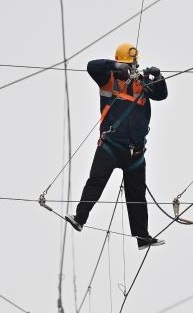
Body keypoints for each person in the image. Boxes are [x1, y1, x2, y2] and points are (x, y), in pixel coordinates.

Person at [65, 42, 168, 250]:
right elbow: (92, 66)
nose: (132, 69)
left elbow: (161, 95)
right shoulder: (107, 78)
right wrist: (114, 66)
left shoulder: (141, 84)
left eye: (134, 65)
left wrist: (158, 77)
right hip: (110, 146)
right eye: (128, 65)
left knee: (137, 196)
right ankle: (80, 218)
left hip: (135, 152)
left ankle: (142, 237)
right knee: (96, 182)